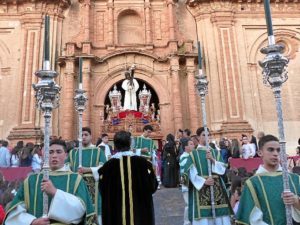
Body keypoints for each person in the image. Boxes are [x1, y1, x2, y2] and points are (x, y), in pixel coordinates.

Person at [4, 139, 95, 225]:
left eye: (58, 152)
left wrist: (55, 193)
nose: (54, 155)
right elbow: (15, 213)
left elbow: (81, 211)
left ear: (66, 155)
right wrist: (32, 221)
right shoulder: (31, 181)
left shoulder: (76, 179)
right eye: (50, 152)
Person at [236, 134, 300, 224]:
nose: (275, 153)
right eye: (270, 150)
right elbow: (250, 218)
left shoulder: (295, 179)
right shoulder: (253, 183)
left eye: (278, 150)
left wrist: (296, 201)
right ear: (260, 153)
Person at [98, 131, 158, 225]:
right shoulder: (143, 164)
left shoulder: (107, 167)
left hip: (116, 214)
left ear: (115, 145)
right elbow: (153, 186)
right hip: (140, 214)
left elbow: (102, 190)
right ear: (130, 143)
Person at [183, 127, 232, 225]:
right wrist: (203, 181)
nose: (206, 137)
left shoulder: (215, 152)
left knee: (220, 216)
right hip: (201, 188)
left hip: (216, 188)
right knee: (204, 218)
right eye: (204, 135)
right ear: (198, 137)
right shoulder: (193, 154)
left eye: (208, 135)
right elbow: (190, 172)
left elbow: (222, 168)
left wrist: (213, 160)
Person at [67, 127, 107, 225]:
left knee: (95, 212)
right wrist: (74, 174)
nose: (83, 137)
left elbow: (104, 168)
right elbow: (66, 167)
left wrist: (87, 169)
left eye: (86, 135)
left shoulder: (98, 151)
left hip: (94, 187)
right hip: (77, 186)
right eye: (81, 135)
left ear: (91, 136)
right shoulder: (73, 152)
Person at [180, 139, 195, 225]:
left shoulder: (191, 155)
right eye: (191, 144)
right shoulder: (184, 157)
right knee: (188, 204)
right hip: (186, 184)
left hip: (193, 184)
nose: (193, 146)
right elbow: (186, 167)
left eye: (193, 144)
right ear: (186, 147)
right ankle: (186, 222)